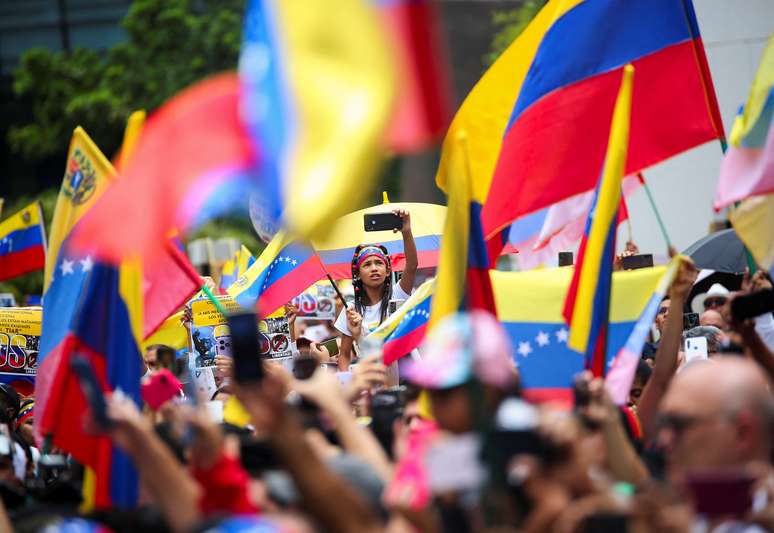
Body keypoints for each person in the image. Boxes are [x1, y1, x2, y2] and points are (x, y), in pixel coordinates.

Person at [334, 209, 417, 369]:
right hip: (370, 381)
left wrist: (406, 231)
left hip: (404, 381)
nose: (374, 268)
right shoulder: (350, 311)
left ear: (387, 272)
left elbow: (412, 266)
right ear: (357, 274)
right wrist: (345, 382)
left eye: (379, 263)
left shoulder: (398, 295)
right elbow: (344, 354)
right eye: (367, 264)